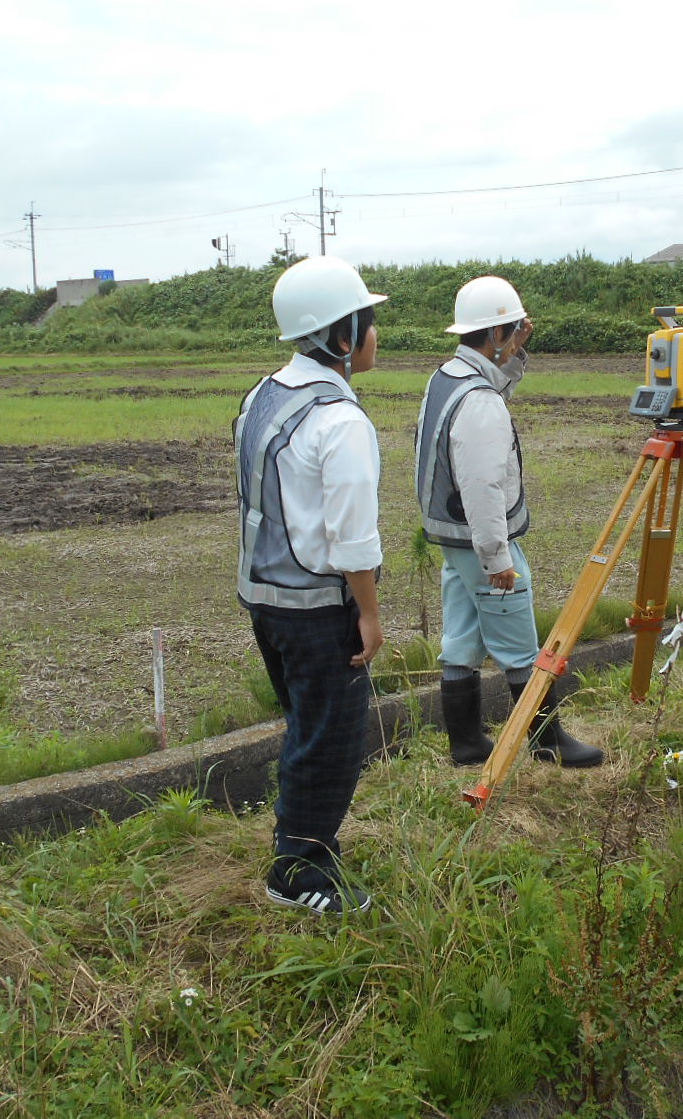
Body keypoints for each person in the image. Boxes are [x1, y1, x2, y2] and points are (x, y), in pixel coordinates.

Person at [233, 255, 386, 915]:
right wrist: (371, 615)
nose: (377, 335)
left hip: (267, 599)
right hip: (320, 608)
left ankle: (306, 847)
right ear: (342, 337)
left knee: (308, 730)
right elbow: (352, 539)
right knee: (332, 743)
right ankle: (297, 876)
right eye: (368, 322)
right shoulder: (341, 422)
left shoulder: (263, 395)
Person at [415, 275, 603, 770]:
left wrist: (516, 353)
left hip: (454, 541)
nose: (517, 336)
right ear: (497, 334)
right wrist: (497, 557)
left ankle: (467, 742)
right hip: (480, 542)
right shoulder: (479, 402)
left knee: (462, 639)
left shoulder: (448, 377)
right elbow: (482, 486)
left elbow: (493, 383)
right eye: (512, 330)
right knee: (519, 642)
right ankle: (547, 739)